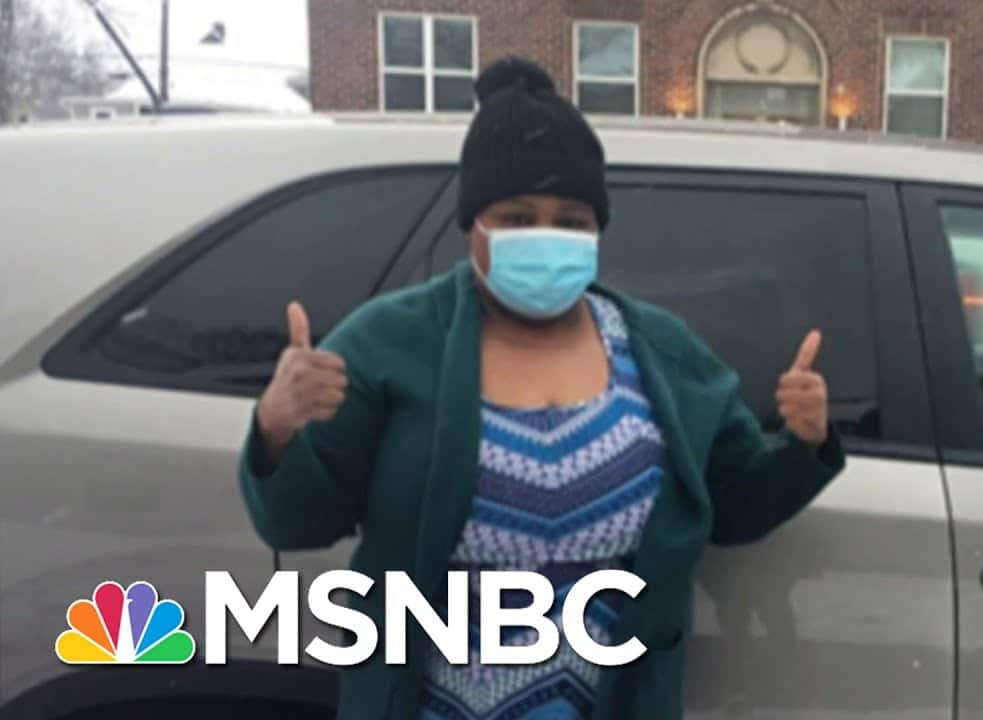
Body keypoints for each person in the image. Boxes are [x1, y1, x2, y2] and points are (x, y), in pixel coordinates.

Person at [238, 56, 845, 720]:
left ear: (597, 230)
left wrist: (804, 443)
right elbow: (298, 523)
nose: (544, 237)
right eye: (517, 216)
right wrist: (277, 428)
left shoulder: (662, 352)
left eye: (571, 220)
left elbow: (735, 505)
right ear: (473, 224)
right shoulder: (389, 342)